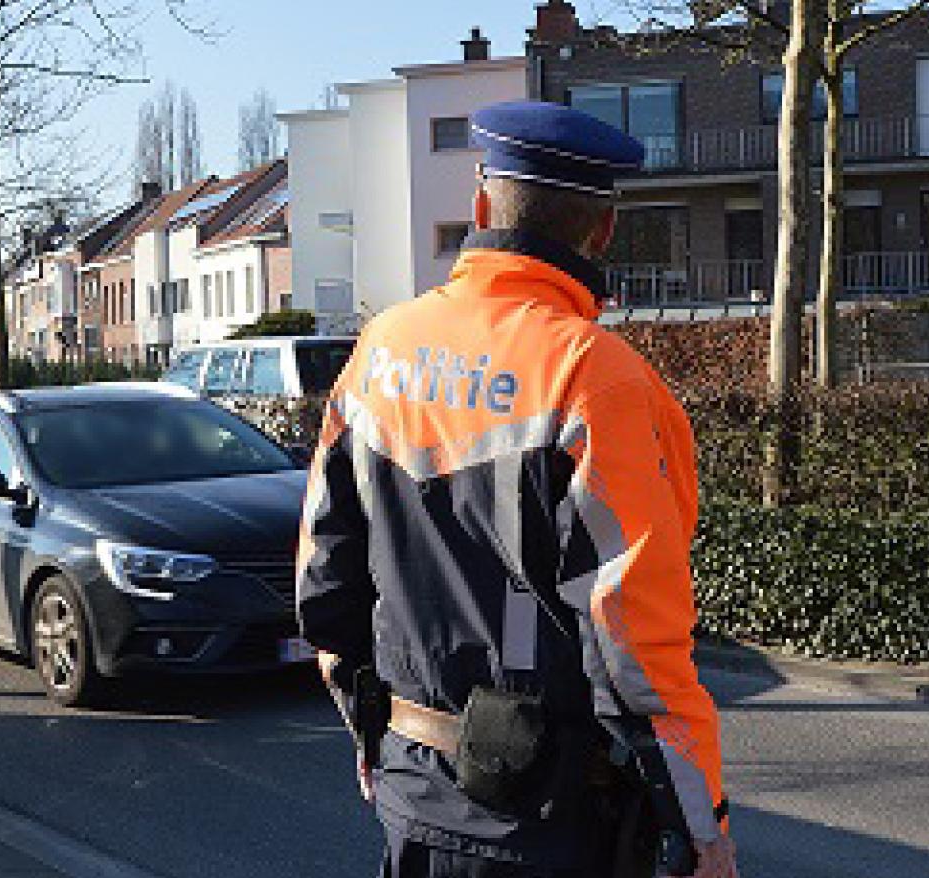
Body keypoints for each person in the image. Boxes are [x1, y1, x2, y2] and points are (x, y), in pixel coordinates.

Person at [295, 102, 737, 878]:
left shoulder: (381, 348)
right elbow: (639, 643)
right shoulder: (598, 379)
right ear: (601, 231)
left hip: (412, 800)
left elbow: (324, 582)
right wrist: (702, 827)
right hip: (555, 825)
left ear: (478, 206)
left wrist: (374, 738)